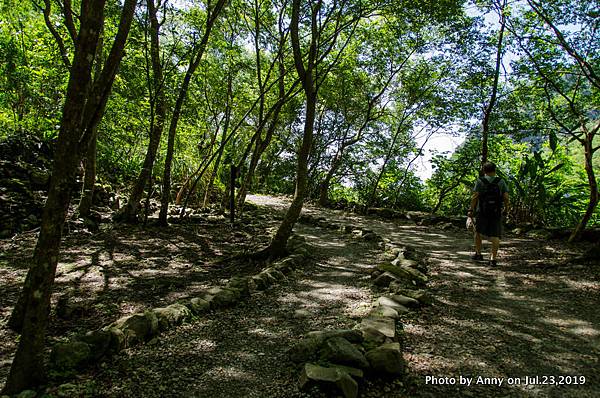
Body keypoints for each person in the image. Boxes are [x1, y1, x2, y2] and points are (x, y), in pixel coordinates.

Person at [468, 161, 509, 266]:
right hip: (496, 212)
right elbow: (506, 197)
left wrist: (471, 210)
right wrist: (506, 209)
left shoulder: (480, 181)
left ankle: (478, 254)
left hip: (481, 211)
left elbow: (475, 196)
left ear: (484, 171)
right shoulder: (501, 181)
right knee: (495, 235)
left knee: (478, 232)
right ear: (495, 170)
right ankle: (492, 259)